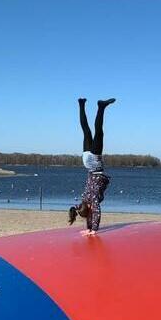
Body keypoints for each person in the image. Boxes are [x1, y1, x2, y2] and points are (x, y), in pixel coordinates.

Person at [68, 97, 115, 235]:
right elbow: (83, 210)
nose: (92, 210)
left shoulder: (93, 199)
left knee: (99, 132)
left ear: (89, 207)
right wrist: (88, 227)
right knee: (86, 131)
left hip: (95, 163)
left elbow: (96, 213)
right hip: (86, 163)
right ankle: (81, 104)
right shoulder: (83, 199)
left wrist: (93, 229)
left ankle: (101, 107)